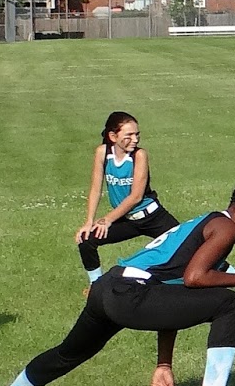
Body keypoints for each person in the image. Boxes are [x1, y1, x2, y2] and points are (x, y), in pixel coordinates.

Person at [0, 166, 235, 386]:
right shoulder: (225, 227)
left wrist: (164, 364)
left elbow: (172, 297)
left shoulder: (206, 222)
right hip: (130, 294)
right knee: (229, 303)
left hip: (108, 288)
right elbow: (194, 278)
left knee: (69, 352)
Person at [75, 112, 179, 286]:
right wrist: (89, 221)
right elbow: (95, 189)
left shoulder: (139, 155)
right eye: (129, 135)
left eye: (137, 134)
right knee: (86, 240)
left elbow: (136, 197)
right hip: (125, 220)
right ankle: (97, 286)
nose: (135, 139)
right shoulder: (102, 153)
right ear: (113, 136)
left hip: (152, 217)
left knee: (190, 247)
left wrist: (107, 219)